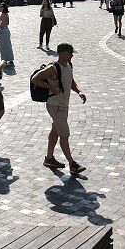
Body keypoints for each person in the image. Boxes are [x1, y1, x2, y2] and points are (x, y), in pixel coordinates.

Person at [31, 43, 86, 175]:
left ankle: (49, 158)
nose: (72, 55)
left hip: (63, 105)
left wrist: (79, 92)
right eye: (70, 52)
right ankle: (72, 164)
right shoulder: (53, 68)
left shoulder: (69, 65)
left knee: (55, 130)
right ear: (62, 53)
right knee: (64, 134)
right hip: (55, 105)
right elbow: (35, 79)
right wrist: (50, 87)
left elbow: (71, 81)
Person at [0, 3, 14, 67]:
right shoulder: (5, 14)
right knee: (7, 45)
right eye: (0, 7)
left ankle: (6, 60)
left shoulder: (3, 15)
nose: (0, 8)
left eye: (1, 7)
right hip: (5, 30)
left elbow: (4, 24)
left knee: (4, 46)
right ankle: (9, 59)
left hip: (3, 30)